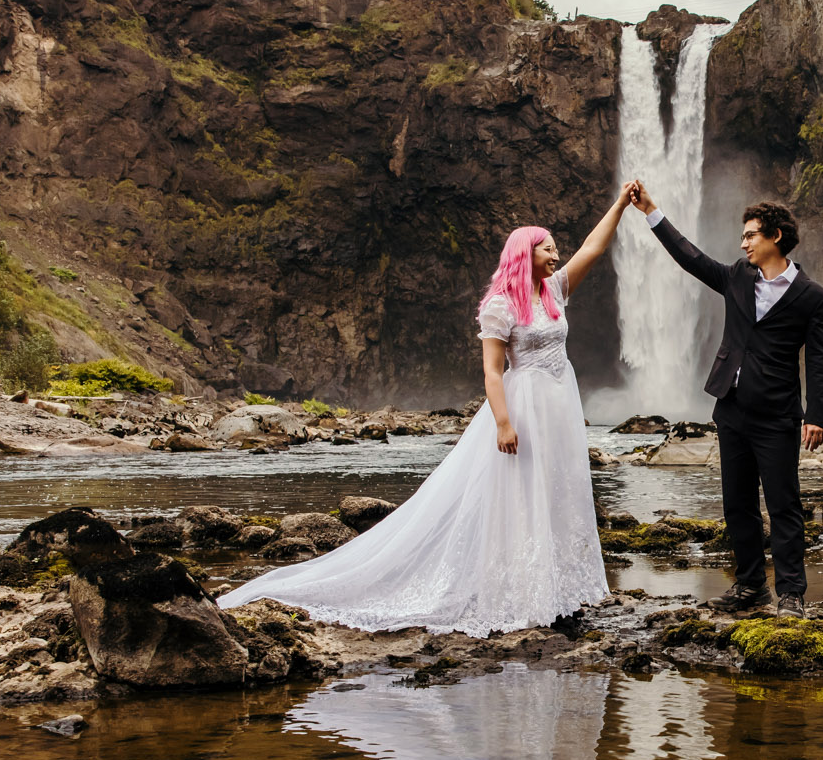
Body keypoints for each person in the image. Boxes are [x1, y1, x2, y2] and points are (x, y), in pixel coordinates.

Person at [219, 189, 636, 634]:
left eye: (556, 247)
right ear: (524, 254)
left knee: (556, 491)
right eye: (548, 247)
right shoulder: (501, 305)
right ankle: (520, 594)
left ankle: (557, 591)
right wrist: (503, 423)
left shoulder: (554, 290)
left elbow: (594, 246)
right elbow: (493, 373)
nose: (557, 253)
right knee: (520, 497)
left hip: (559, 404)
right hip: (524, 404)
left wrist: (619, 206)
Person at [626, 180, 823, 614]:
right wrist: (651, 211)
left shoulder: (812, 297)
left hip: (778, 413)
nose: (743, 244)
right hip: (731, 407)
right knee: (737, 504)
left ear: (776, 237)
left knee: (783, 503)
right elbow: (692, 259)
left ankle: (791, 593)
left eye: (750, 235)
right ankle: (751, 586)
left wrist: (816, 415)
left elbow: (817, 359)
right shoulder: (738, 277)